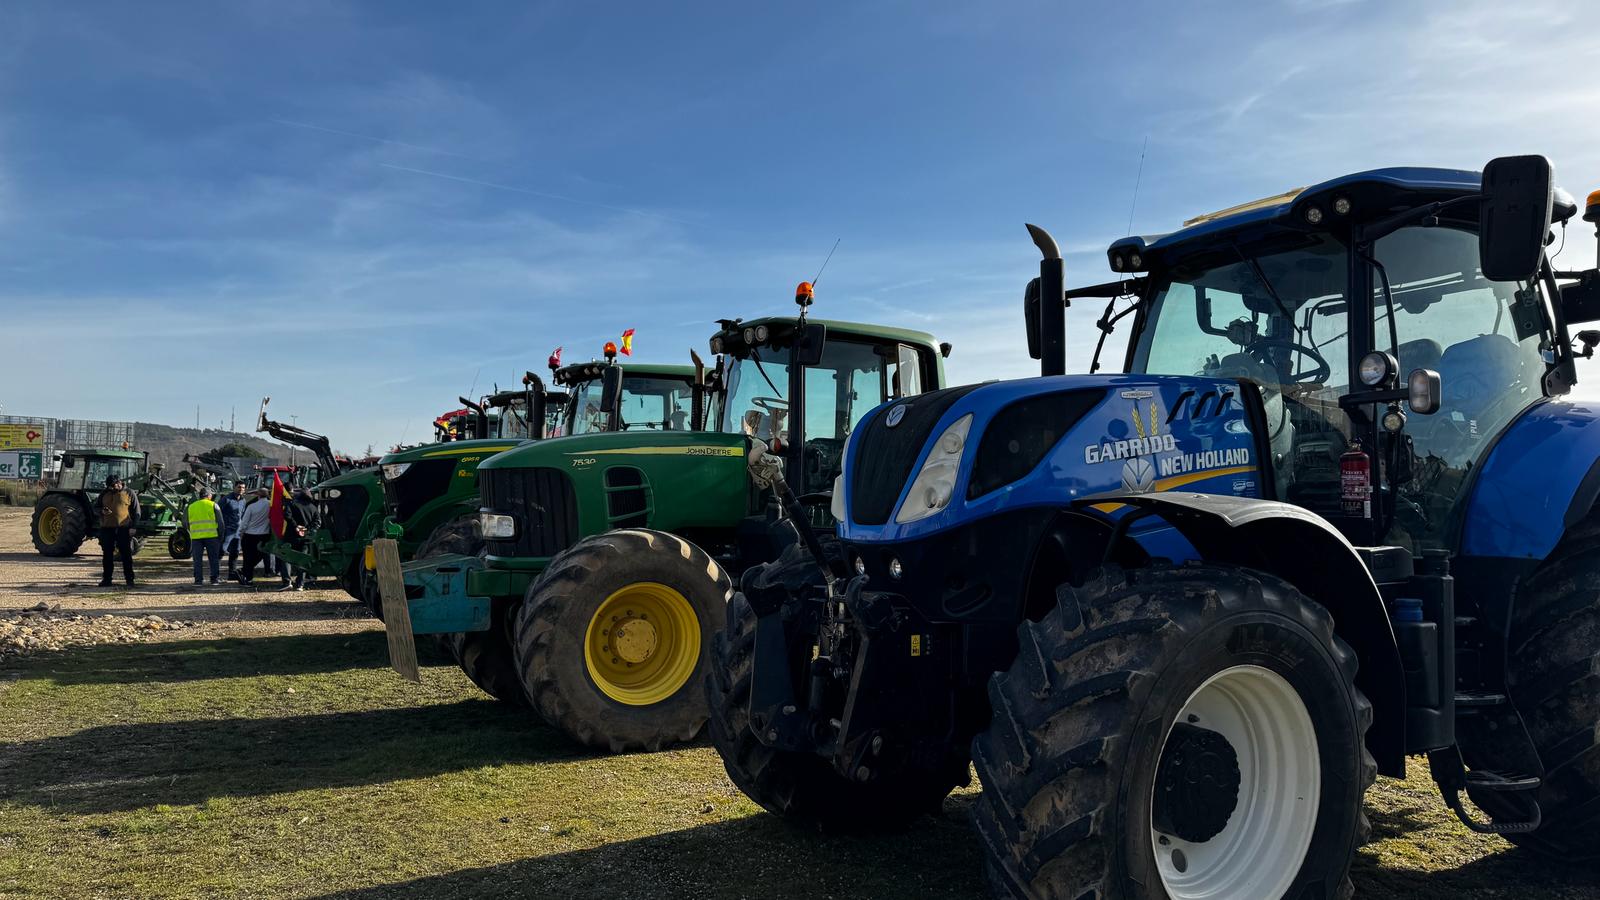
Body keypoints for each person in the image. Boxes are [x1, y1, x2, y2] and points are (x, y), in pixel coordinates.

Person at [94, 475, 139, 587]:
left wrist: (133, 527)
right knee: (107, 555)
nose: (113, 488)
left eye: (114, 486)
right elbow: (96, 508)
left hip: (123, 528)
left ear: (120, 483)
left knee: (126, 555)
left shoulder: (129, 493)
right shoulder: (104, 493)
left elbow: (136, 511)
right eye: (110, 487)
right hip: (107, 529)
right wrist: (101, 511)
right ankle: (107, 580)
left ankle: (130, 580)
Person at [278, 487, 322, 592]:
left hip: (291, 536)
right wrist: (307, 528)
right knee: (302, 560)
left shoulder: (292, 504)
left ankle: (287, 581)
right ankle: (300, 584)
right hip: (306, 537)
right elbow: (318, 521)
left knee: (286, 558)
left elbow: (287, 515)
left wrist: (296, 526)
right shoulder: (313, 507)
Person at [186, 487, 223, 586]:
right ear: (209, 496)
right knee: (213, 559)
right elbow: (220, 522)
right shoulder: (213, 505)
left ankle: (198, 580)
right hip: (212, 536)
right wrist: (221, 535)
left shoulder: (191, 506)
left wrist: (192, 532)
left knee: (197, 560)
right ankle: (214, 579)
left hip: (196, 537)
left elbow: (186, 522)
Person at [238, 487, 273, 586]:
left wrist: (241, 532)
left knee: (248, 557)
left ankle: (247, 578)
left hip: (250, 535)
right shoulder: (271, 505)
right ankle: (245, 572)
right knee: (260, 556)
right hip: (264, 535)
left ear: (258, 495)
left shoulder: (251, 506)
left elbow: (244, 522)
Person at [217, 482, 248, 581]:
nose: (241, 489)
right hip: (227, 530)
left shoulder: (243, 501)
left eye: (243, 487)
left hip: (238, 531)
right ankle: (216, 575)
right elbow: (217, 511)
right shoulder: (226, 499)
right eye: (239, 487)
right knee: (221, 551)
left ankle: (232, 574)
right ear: (234, 488)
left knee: (235, 552)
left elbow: (242, 514)